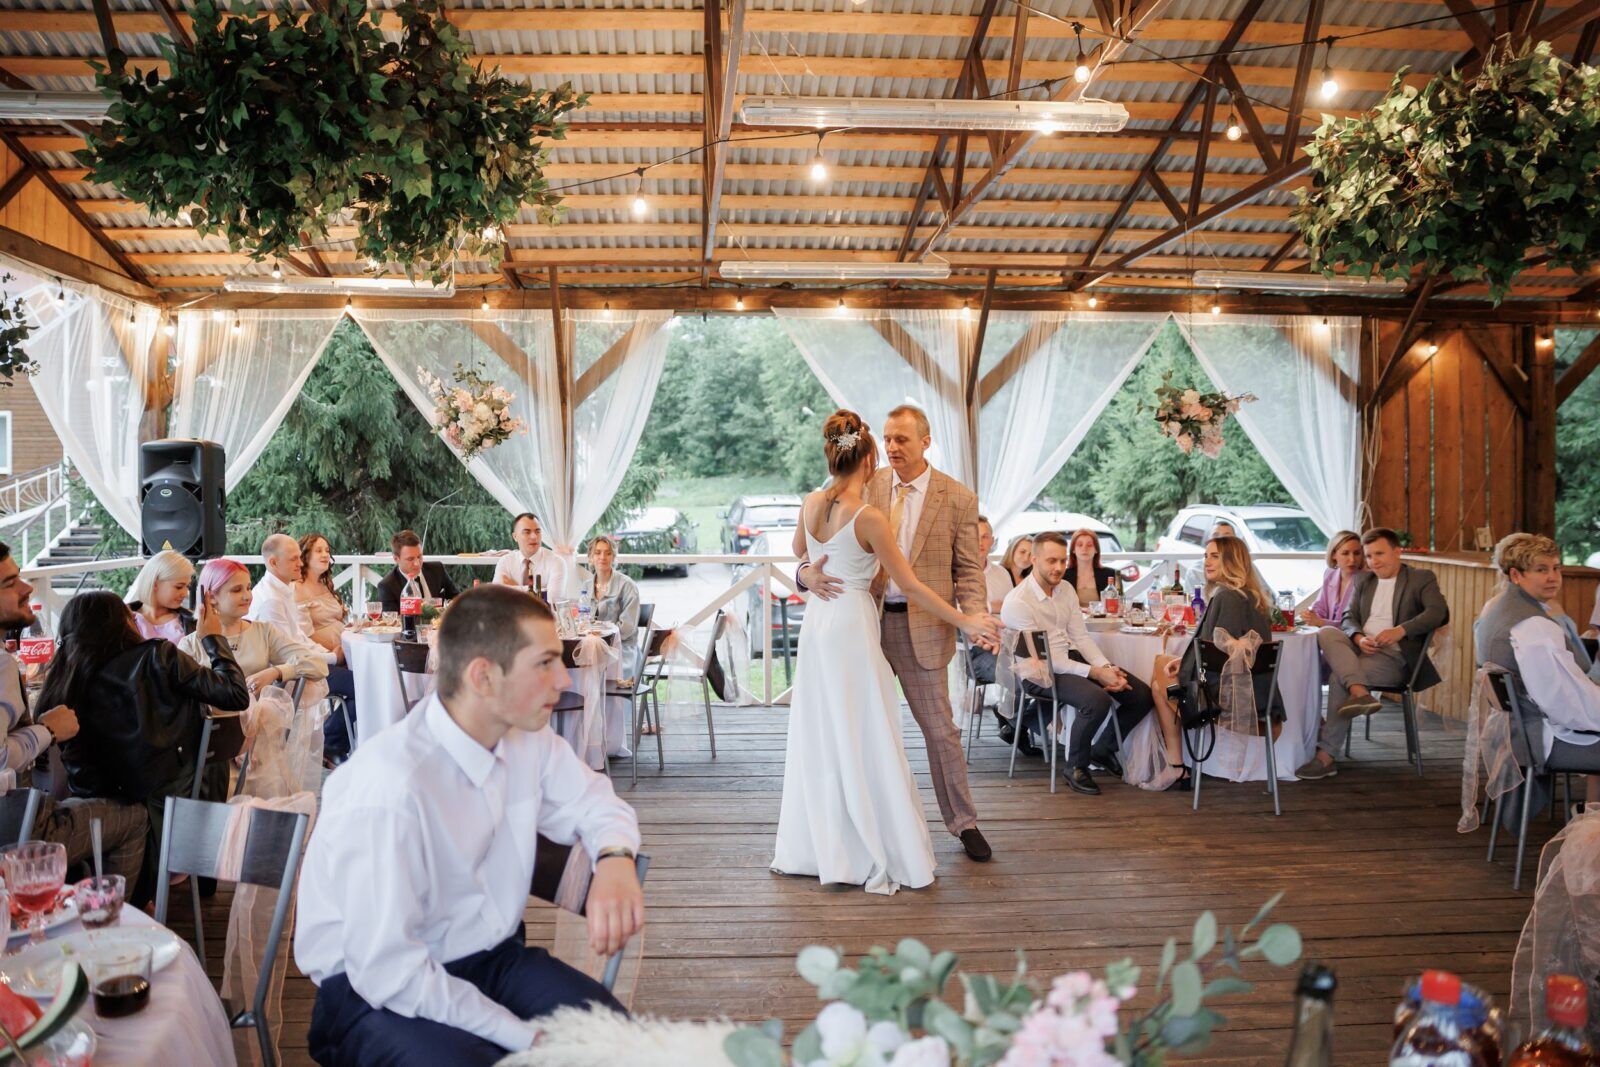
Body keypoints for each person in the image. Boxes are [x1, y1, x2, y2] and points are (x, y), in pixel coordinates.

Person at [295, 586, 644, 1066]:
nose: (564, 679)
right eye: (545, 663)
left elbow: (594, 801)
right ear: (483, 676)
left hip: (491, 956)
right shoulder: (389, 788)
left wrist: (615, 858)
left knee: (621, 1047)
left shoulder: (527, 741)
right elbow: (387, 970)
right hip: (372, 990)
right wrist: (521, 1036)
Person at [775, 411, 998, 894]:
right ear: (870, 453)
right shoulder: (867, 489)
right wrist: (805, 575)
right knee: (859, 730)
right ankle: (866, 833)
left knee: (939, 732)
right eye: (888, 439)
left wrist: (974, 617)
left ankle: (963, 823)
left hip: (909, 630)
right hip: (863, 624)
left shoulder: (958, 497)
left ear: (926, 441)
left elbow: (968, 570)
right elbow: (809, 556)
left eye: (902, 439)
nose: (893, 447)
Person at [41, 588, 247, 901]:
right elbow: (235, 694)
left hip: (96, 803)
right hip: (163, 796)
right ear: (123, 623)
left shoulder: (64, 674)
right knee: (212, 759)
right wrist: (212, 639)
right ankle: (199, 870)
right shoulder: (157, 656)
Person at [0, 544, 145, 881]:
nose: (27, 587)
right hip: (16, 831)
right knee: (134, 816)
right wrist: (48, 730)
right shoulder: (3, 665)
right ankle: (103, 909)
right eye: (9, 583)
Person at [1000, 531, 1155, 796]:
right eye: (1051, 561)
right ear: (1034, 560)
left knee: (1140, 695)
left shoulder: (1066, 589)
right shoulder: (1018, 602)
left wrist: (1106, 668)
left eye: (1062, 561)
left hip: (1069, 658)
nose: (1059, 567)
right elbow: (1049, 661)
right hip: (1038, 671)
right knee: (1096, 700)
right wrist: (1095, 673)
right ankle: (1075, 767)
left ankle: (1103, 748)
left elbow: (1080, 637)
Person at [1295, 527, 1449, 780]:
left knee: (1338, 678)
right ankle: (1360, 692)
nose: (1373, 561)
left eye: (1379, 554)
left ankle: (1326, 756)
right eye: (1368, 556)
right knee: (1327, 633)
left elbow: (1438, 612)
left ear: (1397, 552)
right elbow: (1349, 618)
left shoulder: (1421, 578)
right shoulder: (1364, 580)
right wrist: (1358, 637)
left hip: (1394, 657)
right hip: (1359, 649)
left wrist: (1400, 630)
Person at [1474, 533, 1600, 809]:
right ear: (1516, 575)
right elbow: (1564, 703)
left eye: (1556, 568)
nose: (1553, 577)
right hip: (1539, 739)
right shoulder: (1533, 626)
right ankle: (1591, 821)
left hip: (1516, 732)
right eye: (1541, 570)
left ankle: (1591, 816)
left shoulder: (1499, 611)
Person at [1160, 536, 1278, 758]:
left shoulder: (1227, 596)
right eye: (1206, 556)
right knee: (1168, 668)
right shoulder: (1254, 596)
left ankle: (1175, 763)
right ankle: (1177, 763)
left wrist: (1187, 665)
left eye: (1215, 556)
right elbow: (1217, 650)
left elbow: (1219, 659)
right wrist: (1185, 660)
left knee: (1159, 676)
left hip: (1225, 696)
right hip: (1264, 694)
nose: (1207, 562)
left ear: (1232, 560)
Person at [180, 559, 329, 704]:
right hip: (208, 721)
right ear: (211, 597)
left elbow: (318, 664)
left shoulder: (264, 632)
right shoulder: (190, 644)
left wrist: (277, 672)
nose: (247, 596)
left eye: (248, 588)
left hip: (260, 719)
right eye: (237, 590)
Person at [296, 532, 359, 763]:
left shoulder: (325, 584)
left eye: (327, 550)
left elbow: (334, 621)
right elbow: (303, 636)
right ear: (305, 556)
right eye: (318, 550)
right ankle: (331, 741)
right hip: (319, 662)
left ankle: (334, 740)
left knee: (377, 677)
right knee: (364, 686)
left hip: (342, 654)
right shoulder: (297, 588)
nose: (325, 555)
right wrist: (334, 653)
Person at [580, 535, 640, 657]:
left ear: (613, 557)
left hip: (621, 649)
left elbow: (627, 629)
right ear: (590, 557)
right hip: (593, 646)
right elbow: (583, 620)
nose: (603, 557)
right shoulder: (586, 586)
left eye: (608, 553)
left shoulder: (627, 586)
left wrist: (600, 633)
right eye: (597, 553)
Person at [376, 530, 460, 612]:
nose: (417, 563)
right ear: (396, 559)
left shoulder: (437, 569)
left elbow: (457, 598)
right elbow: (392, 619)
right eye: (410, 559)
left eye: (419, 556)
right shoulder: (387, 586)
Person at [248, 533, 309, 642]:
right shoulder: (271, 601)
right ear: (274, 563)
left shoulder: (284, 588)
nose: (301, 563)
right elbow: (286, 649)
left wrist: (326, 651)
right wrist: (331, 654)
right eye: (293, 559)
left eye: (299, 557)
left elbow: (298, 637)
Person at [971, 516, 1010, 687]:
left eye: (985, 537)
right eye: (974, 537)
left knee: (1041, 671)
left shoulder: (1002, 573)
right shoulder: (954, 573)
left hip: (1007, 645)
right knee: (1015, 677)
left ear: (992, 541)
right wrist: (991, 606)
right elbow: (956, 613)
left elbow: (1010, 610)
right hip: (973, 650)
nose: (980, 542)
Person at [124, 551, 195, 643]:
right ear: (155, 584)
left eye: (187, 586)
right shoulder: (122, 619)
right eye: (179, 587)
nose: (185, 593)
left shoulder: (192, 621)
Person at [492, 513, 567, 599]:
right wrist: (540, 591)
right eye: (527, 532)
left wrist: (512, 586)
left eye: (537, 531)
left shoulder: (556, 562)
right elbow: (496, 594)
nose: (534, 536)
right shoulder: (505, 561)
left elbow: (553, 598)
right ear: (515, 536)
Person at [1301, 530, 1364, 629]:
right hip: (1327, 632)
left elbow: (1355, 623)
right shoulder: (1330, 573)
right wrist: (1311, 615)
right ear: (1334, 554)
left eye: (1357, 553)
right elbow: (1320, 606)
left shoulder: (1366, 580)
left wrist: (1322, 622)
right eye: (1345, 553)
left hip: (1352, 635)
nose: (1352, 559)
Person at [1063, 528, 1120, 608]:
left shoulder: (1110, 574)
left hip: (1101, 616)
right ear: (1073, 550)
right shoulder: (1064, 575)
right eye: (1080, 545)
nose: (1084, 549)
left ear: (1096, 550)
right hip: (1073, 616)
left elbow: (1118, 604)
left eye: (1089, 545)